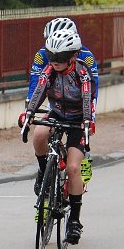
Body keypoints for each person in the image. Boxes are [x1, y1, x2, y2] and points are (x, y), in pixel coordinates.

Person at [21, 29, 98, 245]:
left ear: (72, 56)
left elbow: (87, 99)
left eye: (60, 57)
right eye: (51, 56)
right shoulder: (50, 71)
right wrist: (28, 114)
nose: (55, 61)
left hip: (78, 119)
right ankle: (44, 172)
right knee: (39, 134)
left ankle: (74, 220)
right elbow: (39, 92)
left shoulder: (82, 73)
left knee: (73, 168)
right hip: (56, 112)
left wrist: (87, 122)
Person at [23, 16, 99, 186]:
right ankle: (45, 170)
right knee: (40, 134)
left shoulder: (86, 57)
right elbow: (36, 82)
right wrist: (29, 108)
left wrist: (90, 118)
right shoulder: (43, 54)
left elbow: (92, 91)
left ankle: (83, 157)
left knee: (75, 160)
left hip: (78, 109)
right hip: (57, 106)